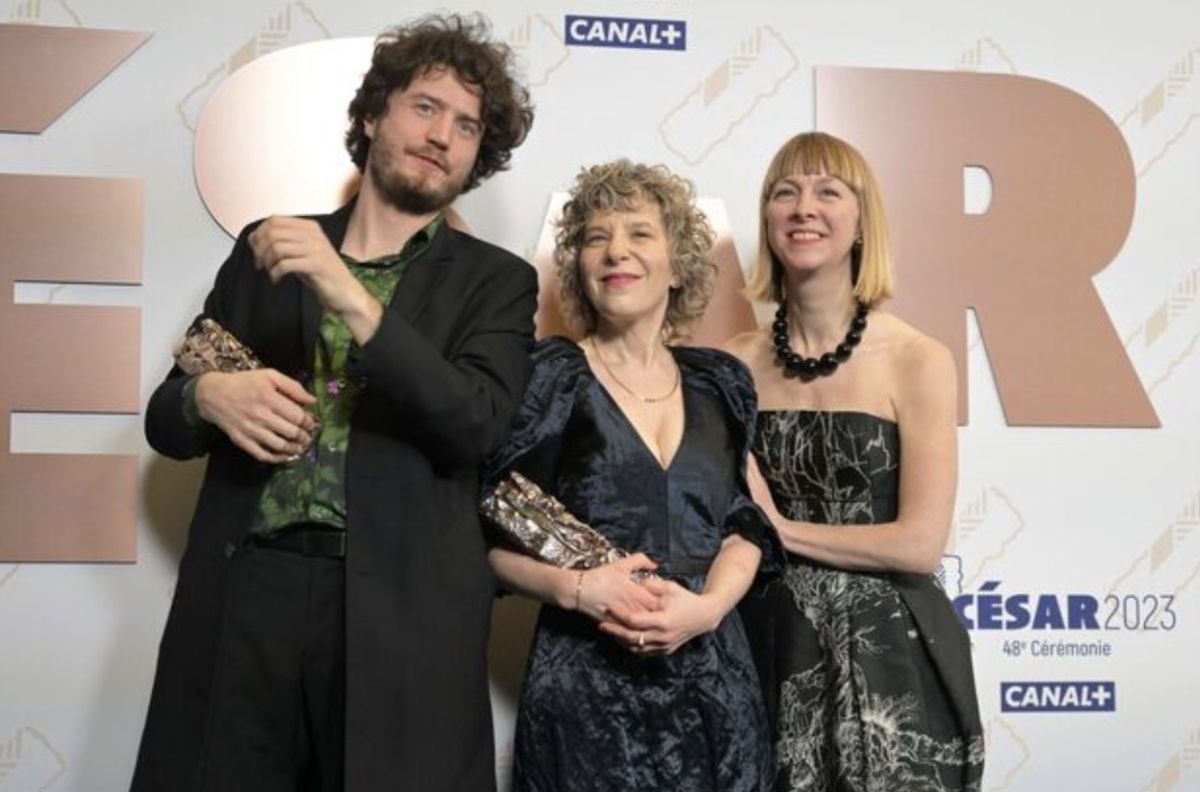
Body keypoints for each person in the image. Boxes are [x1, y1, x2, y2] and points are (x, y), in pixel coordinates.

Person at [132, 14, 536, 792]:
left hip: (402, 609)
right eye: (424, 107)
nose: (442, 135)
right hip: (250, 590)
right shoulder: (267, 246)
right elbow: (164, 417)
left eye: (467, 126)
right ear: (373, 114)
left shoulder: (496, 281)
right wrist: (210, 398)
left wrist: (343, 288)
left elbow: (473, 424)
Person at [483, 160, 783, 792]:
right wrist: (577, 591)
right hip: (588, 707)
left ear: (678, 263)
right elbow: (482, 540)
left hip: (717, 696)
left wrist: (706, 610)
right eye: (596, 236)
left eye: (640, 233)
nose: (616, 250)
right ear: (578, 266)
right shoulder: (549, 378)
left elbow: (745, 526)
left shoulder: (721, 382)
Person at [725, 131, 985, 791]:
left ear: (862, 222)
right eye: (785, 192)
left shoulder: (918, 359)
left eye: (827, 192)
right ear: (767, 220)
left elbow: (920, 544)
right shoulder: (732, 365)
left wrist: (779, 530)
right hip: (768, 651)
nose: (803, 207)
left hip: (893, 663)